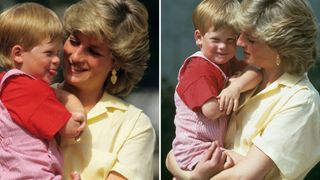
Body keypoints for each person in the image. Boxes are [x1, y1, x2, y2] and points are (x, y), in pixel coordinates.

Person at [166, 0, 320, 179]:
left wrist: (191, 177)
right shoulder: (243, 77)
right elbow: (173, 155)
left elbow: (243, 176)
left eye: (250, 39)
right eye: (240, 34)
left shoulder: (301, 102)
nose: (238, 42)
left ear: (279, 48)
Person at [55, 0, 156, 179]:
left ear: (116, 61)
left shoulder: (134, 126)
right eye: (74, 41)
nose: (76, 56)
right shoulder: (28, 96)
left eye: (93, 52)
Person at [171, 0, 261, 173]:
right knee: (248, 166)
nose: (223, 47)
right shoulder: (198, 68)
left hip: (211, 147)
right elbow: (211, 110)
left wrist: (236, 87)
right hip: (194, 149)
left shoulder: (227, 62)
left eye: (230, 40)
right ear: (199, 37)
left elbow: (256, 71)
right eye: (215, 39)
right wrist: (232, 87)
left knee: (245, 165)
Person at [0, 2, 86, 179]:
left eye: (58, 53)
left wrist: (59, 94)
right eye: (49, 53)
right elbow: (70, 128)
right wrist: (78, 113)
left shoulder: (9, 85)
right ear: (18, 54)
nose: (56, 60)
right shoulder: (32, 91)